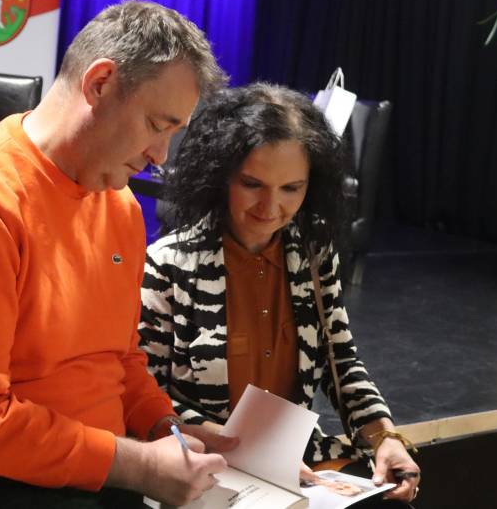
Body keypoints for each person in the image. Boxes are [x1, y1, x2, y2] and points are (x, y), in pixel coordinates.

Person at [0, 0, 238, 509]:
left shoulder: (119, 206)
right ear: (100, 84)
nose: (160, 156)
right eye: (157, 125)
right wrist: (139, 465)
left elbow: (119, 361)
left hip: (90, 472)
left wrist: (169, 429)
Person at [139, 84, 421, 506]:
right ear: (221, 175)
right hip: (206, 468)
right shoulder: (167, 264)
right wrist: (249, 452)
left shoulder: (313, 252)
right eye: (253, 184)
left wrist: (385, 437)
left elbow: (340, 361)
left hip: (299, 466)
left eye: (292, 188)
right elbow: (147, 398)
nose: (270, 207)